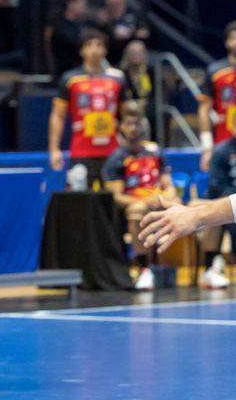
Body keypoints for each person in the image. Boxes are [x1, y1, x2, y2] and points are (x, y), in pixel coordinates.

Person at [102, 103, 178, 291]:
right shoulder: (116, 158)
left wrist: (166, 199)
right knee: (137, 211)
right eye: (129, 124)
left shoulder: (155, 151)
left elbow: (169, 186)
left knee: (183, 205)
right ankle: (144, 269)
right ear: (121, 127)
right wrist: (144, 201)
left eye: (137, 123)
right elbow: (118, 197)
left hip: (157, 200)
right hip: (135, 203)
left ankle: (207, 265)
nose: (134, 128)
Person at [48, 28, 131, 186]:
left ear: (105, 50)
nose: (95, 49)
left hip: (112, 150)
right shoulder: (71, 79)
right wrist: (54, 149)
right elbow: (58, 115)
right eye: (89, 45)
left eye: (99, 45)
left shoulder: (117, 78)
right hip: (81, 150)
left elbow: (127, 114)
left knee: (114, 198)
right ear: (81, 50)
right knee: (79, 196)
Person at [199, 109, 236, 289]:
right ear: (232, 128)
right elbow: (216, 185)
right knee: (234, 213)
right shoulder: (221, 152)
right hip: (225, 200)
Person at [197, 20, 236, 172]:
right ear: (226, 42)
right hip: (223, 142)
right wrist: (207, 148)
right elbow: (204, 110)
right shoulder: (215, 71)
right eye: (233, 38)